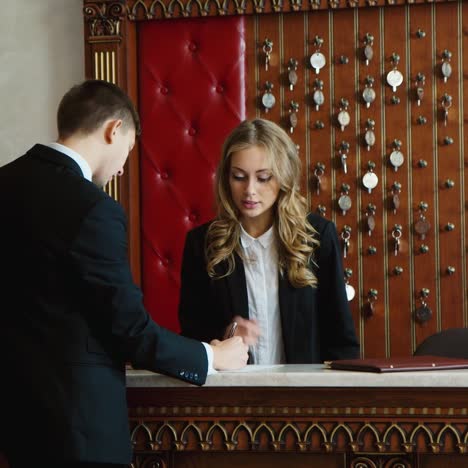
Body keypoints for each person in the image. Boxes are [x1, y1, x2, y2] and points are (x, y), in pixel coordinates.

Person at [0, 80, 248, 468]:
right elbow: (130, 331)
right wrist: (211, 354)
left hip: (14, 427)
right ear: (114, 130)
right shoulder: (93, 208)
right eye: (129, 151)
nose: (120, 169)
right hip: (79, 433)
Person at [179, 118, 359, 364]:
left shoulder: (317, 237)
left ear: (283, 177)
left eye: (263, 178)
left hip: (304, 395)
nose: (250, 190)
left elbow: (341, 340)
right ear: (226, 178)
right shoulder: (201, 244)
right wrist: (226, 336)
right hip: (230, 395)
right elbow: (191, 340)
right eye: (239, 176)